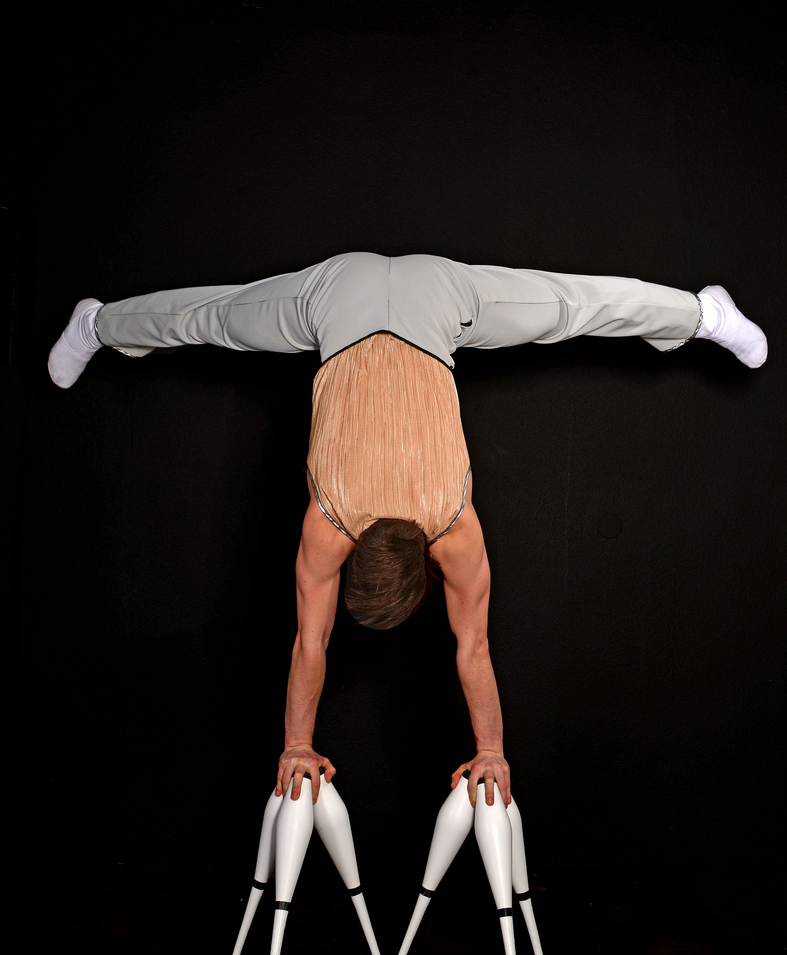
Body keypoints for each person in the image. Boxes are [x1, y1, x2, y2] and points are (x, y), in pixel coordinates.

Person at [48, 253, 768, 811]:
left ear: (412, 562)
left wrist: (306, 744)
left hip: (364, 301)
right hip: (372, 299)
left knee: (567, 306)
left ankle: (703, 314)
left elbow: (455, 645)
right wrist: (479, 749)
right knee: (214, 319)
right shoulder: (332, 525)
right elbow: (318, 641)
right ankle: (96, 324)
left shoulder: (444, 528)